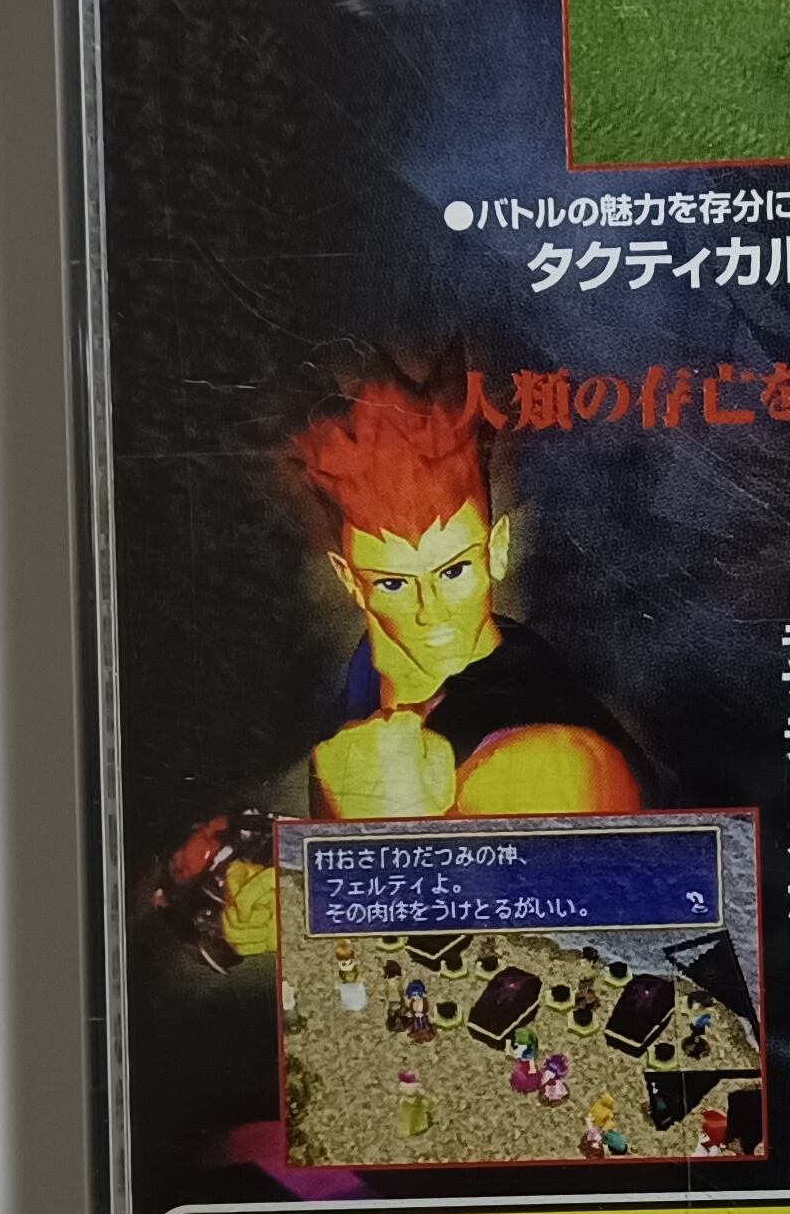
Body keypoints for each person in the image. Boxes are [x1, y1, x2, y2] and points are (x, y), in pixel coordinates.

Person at [166, 357, 648, 967]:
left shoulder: (551, 762)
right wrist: (295, 906)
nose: (430, 613)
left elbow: (544, 983)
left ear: (496, 551)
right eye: (394, 583)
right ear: (351, 580)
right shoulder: (368, 675)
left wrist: (395, 849)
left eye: (454, 571)